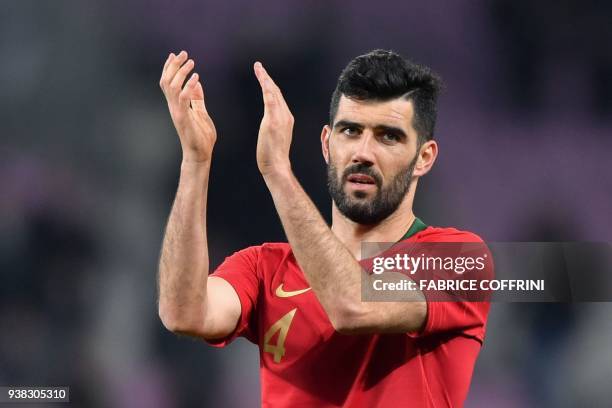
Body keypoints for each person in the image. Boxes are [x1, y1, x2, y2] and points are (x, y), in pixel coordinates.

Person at [157, 49, 490, 407]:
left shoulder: (460, 259)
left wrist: (279, 174)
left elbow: (352, 305)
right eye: (351, 131)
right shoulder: (264, 268)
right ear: (327, 143)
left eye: (388, 136)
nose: (363, 152)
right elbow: (182, 313)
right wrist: (195, 160)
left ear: (424, 157)